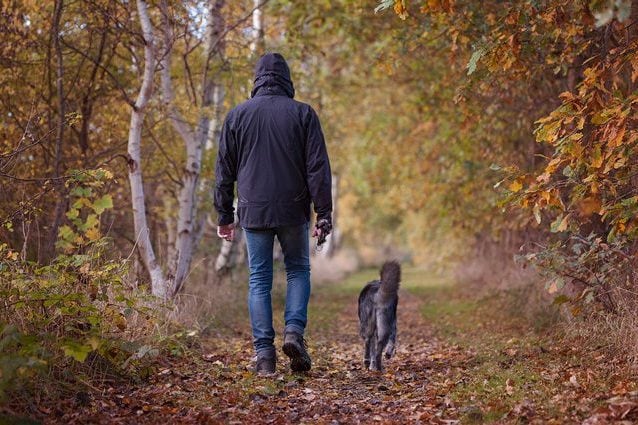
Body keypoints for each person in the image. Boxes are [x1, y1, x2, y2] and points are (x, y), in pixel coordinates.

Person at [214, 52, 332, 375]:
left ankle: (264, 356)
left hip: (253, 211)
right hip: (294, 208)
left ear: (257, 79)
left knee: (259, 280)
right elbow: (317, 168)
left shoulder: (237, 116)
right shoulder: (304, 114)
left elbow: (224, 170)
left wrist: (225, 214)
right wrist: (324, 213)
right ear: (287, 79)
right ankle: (294, 332)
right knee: (297, 270)